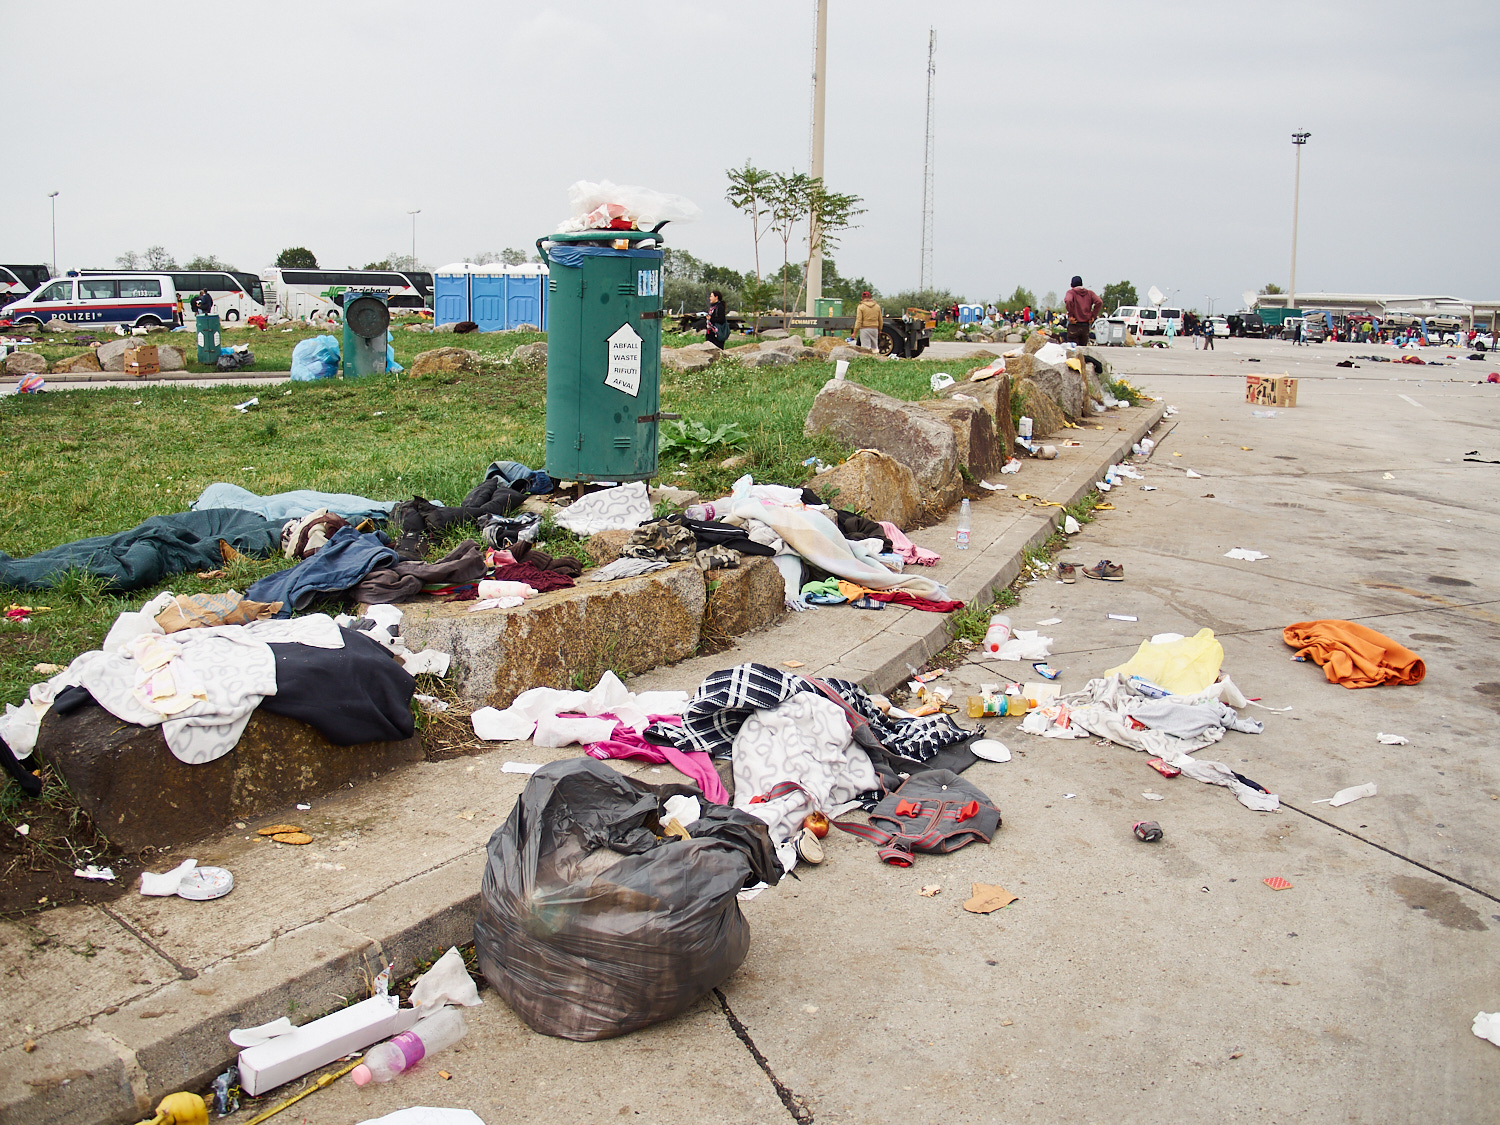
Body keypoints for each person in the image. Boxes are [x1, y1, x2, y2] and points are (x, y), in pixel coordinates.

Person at [1062, 275, 1103, 347]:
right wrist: (1093, 316)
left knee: (1072, 349)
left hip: (1074, 324)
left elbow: (1068, 300)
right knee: (1083, 350)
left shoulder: (1071, 292)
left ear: (1071, 285)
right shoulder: (1090, 293)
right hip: (1085, 325)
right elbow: (1099, 302)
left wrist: (1071, 315)